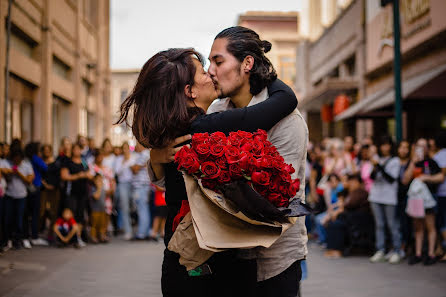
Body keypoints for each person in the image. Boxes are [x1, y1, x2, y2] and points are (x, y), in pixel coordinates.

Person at [117, 41, 298, 296]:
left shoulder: (171, 131)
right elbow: (285, 100)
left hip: (181, 261)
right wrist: (265, 72)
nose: (211, 73)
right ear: (190, 91)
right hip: (210, 265)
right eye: (203, 70)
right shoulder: (204, 127)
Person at [403, 138, 444, 265]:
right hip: (415, 198)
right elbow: (405, 180)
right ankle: (418, 253)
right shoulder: (412, 162)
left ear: (428, 148)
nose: (421, 149)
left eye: (424, 146)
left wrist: (427, 178)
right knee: (418, 227)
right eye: (419, 146)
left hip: (429, 197)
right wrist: (412, 163)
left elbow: (441, 176)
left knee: (430, 225)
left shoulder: (432, 162)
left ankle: (431, 253)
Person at [369, 136, 402, 264]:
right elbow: (372, 177)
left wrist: (379, 166)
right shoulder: (377, 159)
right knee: (380, 225)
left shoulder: (395, 161)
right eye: (382, 145)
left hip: (389, 197)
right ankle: (380, 250)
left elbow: (391, 179)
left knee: (392, 224)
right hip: (375, 196)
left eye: (387, 145)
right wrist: (375, 166)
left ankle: (397, 250)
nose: (384, 147)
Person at [324, 173, 370, 258]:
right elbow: (342, 201)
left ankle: (338, 250)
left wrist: (339, 210)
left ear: (357, 182)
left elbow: (349, 205)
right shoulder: (348, 192)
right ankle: (331, 249)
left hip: (358, 221)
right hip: (349, 219)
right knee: (332, 223)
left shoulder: (360, 192)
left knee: (336, 224)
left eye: (352, 182)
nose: (350, 183)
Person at [2, 140, 35, 249]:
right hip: (9, 195)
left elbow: (29, 180)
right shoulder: (8, 164)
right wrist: (10, 172)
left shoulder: (26, 165)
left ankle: (18, 240)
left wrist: (19, 173)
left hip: (21, 196)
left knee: (19, 219)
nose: (16, 160)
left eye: (18, 158)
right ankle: (8, 239)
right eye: (14, 158)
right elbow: (5, 174)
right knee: (8, 218)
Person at [60, 143, 91, 247]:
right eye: (75, 149)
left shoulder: (83, 161)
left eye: (79, 149)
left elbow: (89, 173)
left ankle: (78, 238)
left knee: (80, 215)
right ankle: (69, 238)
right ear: (72, 150)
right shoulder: (68, 162)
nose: (77, 151)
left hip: (83, 192)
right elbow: (64, 176)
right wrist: (77, 176)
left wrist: (87, 175)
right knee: (70, 214)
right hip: (72, 192)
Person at [24, 142, 49, 246]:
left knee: (27, 213)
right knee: (35, 213)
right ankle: (34, 236)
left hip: (27, 187)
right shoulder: (35, 158)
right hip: (35, 186)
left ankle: (26, 236)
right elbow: (45, 167)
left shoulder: (26, 159)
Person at [315, 173, 344, 246]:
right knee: (317, 218)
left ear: (338, 181)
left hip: (338, 211)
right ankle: (323, 239)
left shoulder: (340, 188)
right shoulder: (330, 189)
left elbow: (340, 203)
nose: (333, 183)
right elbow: (329, 204)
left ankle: (326, 240)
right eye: (331, 181)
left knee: (322, 220)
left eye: (335, 181)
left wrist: (331, 210)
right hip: (331, 210)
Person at [130, 142, 152, 240]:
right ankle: (144, 231)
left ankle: (142, 233)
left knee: (142, 210)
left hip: (141, 186)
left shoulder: (144, 154)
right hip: (143, 186)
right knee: (144, 209)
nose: (135, 146)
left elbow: (135, 169)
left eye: (137, 144)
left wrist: (132, 167)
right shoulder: (145, 154)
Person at [115, 141, 136, 240]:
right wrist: (124, 162)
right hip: (123, 184)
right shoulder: (119, 159)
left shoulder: (134, 157)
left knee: (135, 206)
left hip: (133, 184)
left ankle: (138, 230)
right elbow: (117, 172)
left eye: (126, 148)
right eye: (123, 148)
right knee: (125, 208)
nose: (125, 150)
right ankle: (128, 231)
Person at [396, 140, 412, 255]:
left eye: (406, 147)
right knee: (396, 222)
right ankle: (397, 245)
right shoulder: (394, 161)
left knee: (406, 222)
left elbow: (405, 180)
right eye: (401, 147)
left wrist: (413, 161)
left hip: (407, 195)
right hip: (394, 195)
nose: (403, 150)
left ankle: (405, 245)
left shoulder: (411, 162)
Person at [433, 131, 446, 262]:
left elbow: (442, 174)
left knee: (442, 222)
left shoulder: (439, 156)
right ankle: (439, 248)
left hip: (442, 193)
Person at [89, 174, 108, 243]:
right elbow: (96, 197)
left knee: (102, 224)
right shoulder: (93, 189)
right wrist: (99, 188)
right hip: (95, 210)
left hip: (102, 209)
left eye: (101, 180)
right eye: (98, 180)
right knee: (94, 224)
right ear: (94, 181)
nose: (100, 182)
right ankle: (93, 237)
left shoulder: (103, 188)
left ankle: (102, 236)